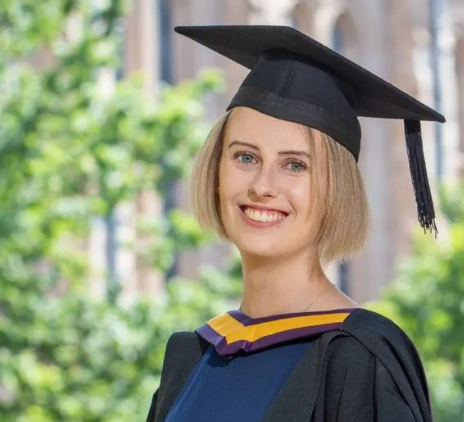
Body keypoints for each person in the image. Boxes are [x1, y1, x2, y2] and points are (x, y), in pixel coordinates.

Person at [146, 25, 445, 422]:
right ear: (216, 170)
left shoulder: (359, 357)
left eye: (295, 165)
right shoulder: (191, 357)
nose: (263, 186)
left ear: (336, 189)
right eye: (245, 157)